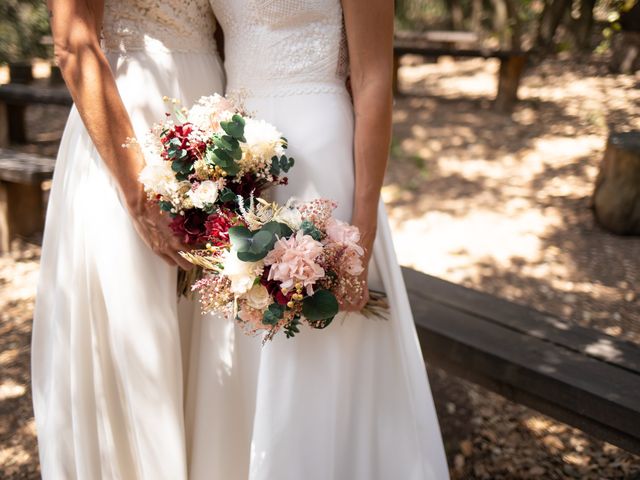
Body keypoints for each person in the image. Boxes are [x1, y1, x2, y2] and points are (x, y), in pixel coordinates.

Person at [34, 0, 450, 478]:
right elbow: (77, 40)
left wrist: (362, 235)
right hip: (236, 154)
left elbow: (374, 78)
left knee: (317, 348)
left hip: (316, 154)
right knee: (238, 343)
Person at [32, 0, 224, 478]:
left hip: (212, 115)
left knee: (213, 330)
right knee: (140, 320)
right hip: (131, 126)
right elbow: (72, 42)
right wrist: (138, 190)